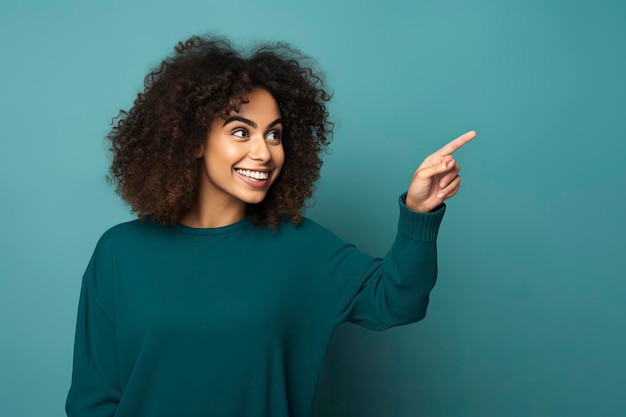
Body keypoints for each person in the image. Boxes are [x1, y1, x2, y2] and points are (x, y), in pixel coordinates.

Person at [65, 35, 475, 417]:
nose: (263, 152)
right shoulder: (119, 253)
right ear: (193, 140)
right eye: (240, 132)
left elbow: (398, 301)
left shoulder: (301, 247)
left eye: (274, 135)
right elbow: (93, 399)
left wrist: (419, 214)